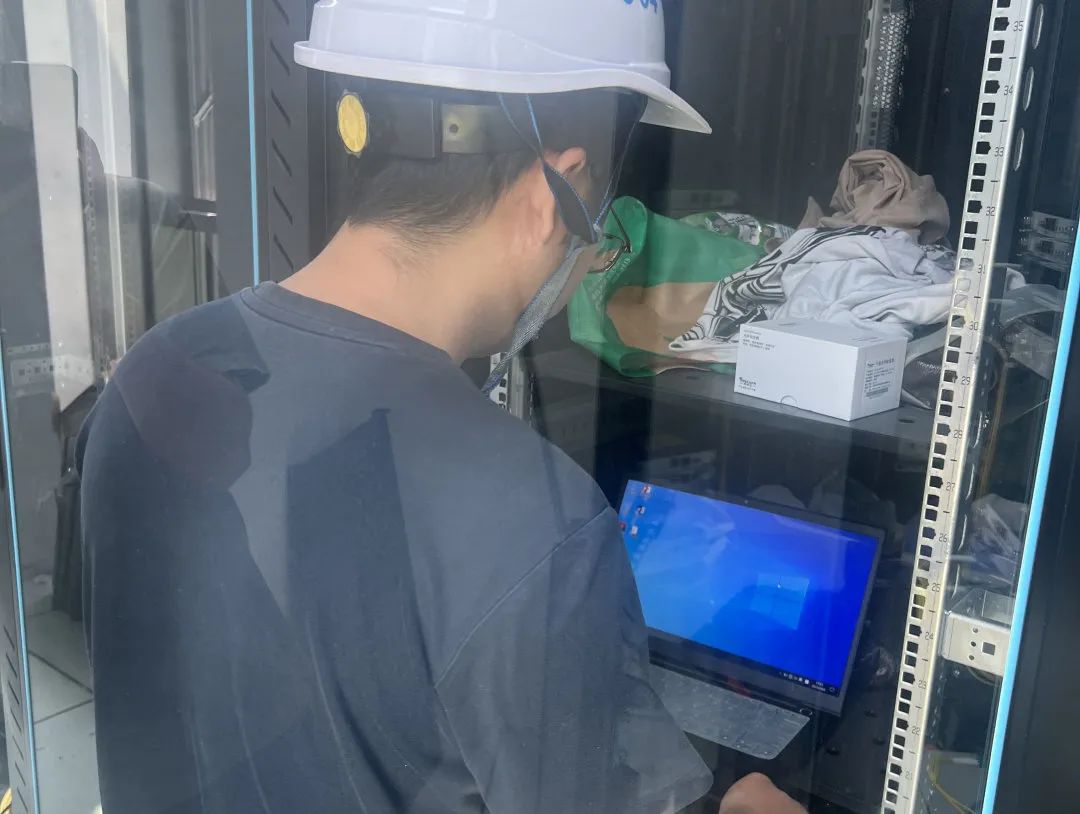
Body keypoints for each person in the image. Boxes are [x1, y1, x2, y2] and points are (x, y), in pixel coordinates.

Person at [78, 1, 807, 812]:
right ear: (555, 191)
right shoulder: (534, 520)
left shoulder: (158, 373)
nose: (593, 246)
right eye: (599, 216)